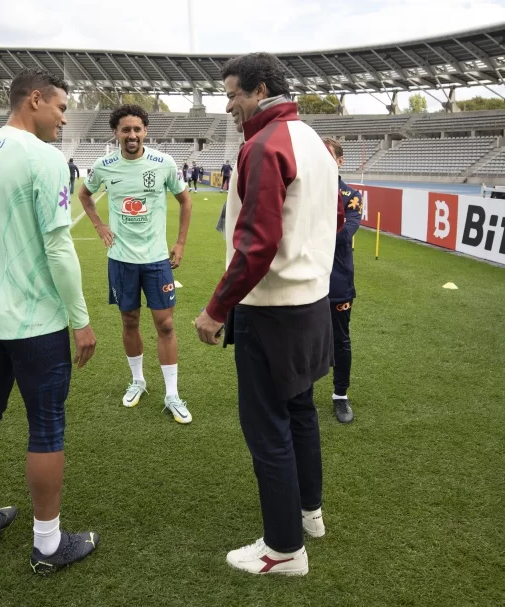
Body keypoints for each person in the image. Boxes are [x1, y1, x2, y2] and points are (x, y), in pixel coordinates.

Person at [193, 52, 343, 576]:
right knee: (300, 413)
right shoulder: (316, 144)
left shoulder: (265, 143)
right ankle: (309, 515)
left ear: (260, 89)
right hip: (310, 303)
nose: (229, 104)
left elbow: (257, 244)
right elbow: (333, 217)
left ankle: (283, 549)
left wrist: (216, 310)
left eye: (233, 93)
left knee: (268, 427)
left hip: (271, 308)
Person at [0, 67, 99, 574]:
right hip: (35, 321)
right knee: (46, 427)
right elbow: (59, 247)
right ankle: (46, 545)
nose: (64, 118)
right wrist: (80, 320)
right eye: (61, 107)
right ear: (34, 100)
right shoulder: (44, 158)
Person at [79, 104, 194, 424]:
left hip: (157, 259)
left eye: (137, 129)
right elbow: (84, 195)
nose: (132, 135)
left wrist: (180, 242)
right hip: (121, 259)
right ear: (115, 133)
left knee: (166, 324)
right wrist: (100, 225)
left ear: (145, 131)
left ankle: (172, 394)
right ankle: (138, 381)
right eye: (125, 130)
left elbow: (185, 200)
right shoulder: (104, 165)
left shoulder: (163, 163)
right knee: (129, 321)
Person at [322, 138, 362, 424]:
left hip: (337, 282)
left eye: (329, 156)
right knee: (302, 339)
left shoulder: (351, 195)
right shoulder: (300, 192)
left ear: (339, 161)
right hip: (305, 280)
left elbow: (344, 234)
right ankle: (299, 393)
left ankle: (340, 396)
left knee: (340, 340)